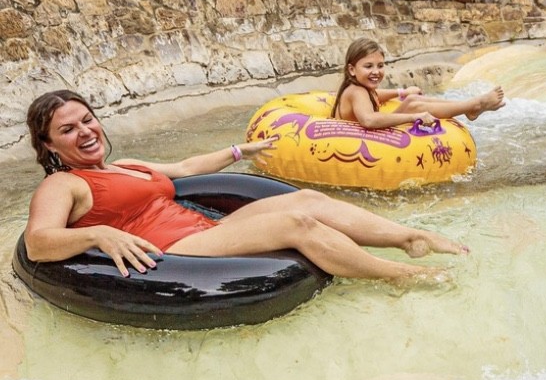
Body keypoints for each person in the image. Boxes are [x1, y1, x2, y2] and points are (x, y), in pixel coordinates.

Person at [23, 90, 468, 282]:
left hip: (202, 229)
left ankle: (411, 237)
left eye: (87, 119)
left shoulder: (125, 166)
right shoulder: (63, 184)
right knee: (295, 222)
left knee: (307, 198)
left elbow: (186, 166)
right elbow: (40, 242)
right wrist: (100, 233)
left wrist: (241, 150)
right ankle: (400, 275)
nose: (84, 131)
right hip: (175, 251)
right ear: (49, 145)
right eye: (68, 129)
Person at [332, 38, 505, 130]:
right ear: (352, 69)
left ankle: (469, 107)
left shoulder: (360, 88)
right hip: (358, 138)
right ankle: (472, 105)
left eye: (380, 65)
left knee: (411, 99)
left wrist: (402, 92)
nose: (376, 71)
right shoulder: (356, 91)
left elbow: (377, 96)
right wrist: (413, 117)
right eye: (368, 66)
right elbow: (369, 120)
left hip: (364, 133)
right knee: (413, 106)